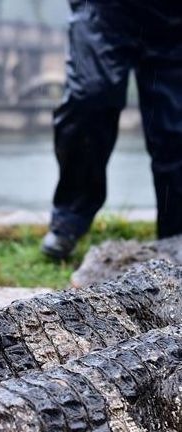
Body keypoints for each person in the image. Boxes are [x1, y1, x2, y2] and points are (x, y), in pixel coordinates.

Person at [41, 0, 182, 260]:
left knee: (175, 128)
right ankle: (69, 219)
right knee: (88, 98)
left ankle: (176, 235)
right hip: (103, 9)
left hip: (173, 18)